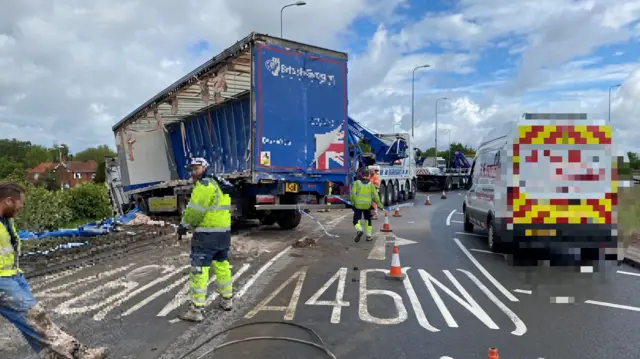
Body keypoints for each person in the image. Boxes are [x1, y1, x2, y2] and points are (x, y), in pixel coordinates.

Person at [0, 181, 109, 359]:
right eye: (20, 204)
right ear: (8, 201)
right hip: (2, 282)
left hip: (13, 276)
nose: (21, 208)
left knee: (29, 325)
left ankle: (53, 356)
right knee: (36, 319)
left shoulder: (6, 220)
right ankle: (78, 353)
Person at [177, 158, 233, 322]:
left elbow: (195, 212)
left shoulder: (205, 186)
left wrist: (184, 226)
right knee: (222, 266)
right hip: (223, 234)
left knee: (199, 270)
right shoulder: (220, 184)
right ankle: (227, 300)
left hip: (206, 235)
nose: (194, 172)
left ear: (205, 168)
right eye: (192, 169)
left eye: (197, 168)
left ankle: (196, 309)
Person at [349, 170, 384, 243]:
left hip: (358, 205)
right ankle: (368, 236)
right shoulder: (371, 185)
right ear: (368, 176)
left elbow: (352, 194)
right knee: (368, 220)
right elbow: (375, 197)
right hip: (367, 206)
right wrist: (380, 205)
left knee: (356, 219)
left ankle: (359, 230)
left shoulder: (356, 183)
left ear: (361, 175)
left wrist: (353, 202)